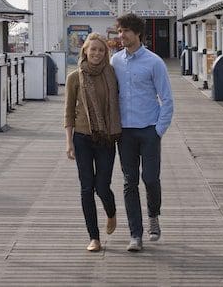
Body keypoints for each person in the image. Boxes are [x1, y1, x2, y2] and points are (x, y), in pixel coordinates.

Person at [110, 13, 174, 252]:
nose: (121, 35)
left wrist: (158, 130)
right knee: (129, 182)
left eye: (126, 30)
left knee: (150, 178)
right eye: (119, 31)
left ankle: (154, 215)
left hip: (148, 129)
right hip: (124, 132)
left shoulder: (154, 62)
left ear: (138, 33)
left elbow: (167, 99)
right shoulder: (115, 61)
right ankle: (135, 234)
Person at [64, 33, 122, 252]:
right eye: (93, 49)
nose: (96, 53)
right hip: (82, 138)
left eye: (101, 50)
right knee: (87, 188)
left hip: (107, 137)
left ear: (105, 53)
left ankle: (111, 212)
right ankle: (94, 237)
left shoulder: (112, 74)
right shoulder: (74, 78)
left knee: (102, 186)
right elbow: (69, 112)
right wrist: (69, 142)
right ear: (85, 51)